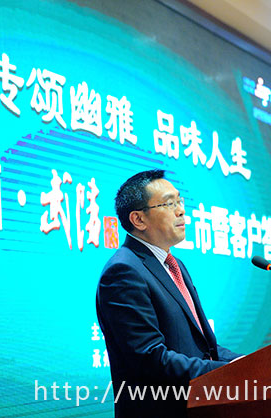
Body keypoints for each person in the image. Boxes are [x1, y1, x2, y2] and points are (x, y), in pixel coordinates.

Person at [96, 169, 241, 418]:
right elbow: (151, 359)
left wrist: (245, 362)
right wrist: (228, 371)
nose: (181, 210)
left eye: (179, 201)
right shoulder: (123, 271)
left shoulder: (174, 265)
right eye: (169, 203)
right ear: (138, 219)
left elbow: (202, 347)